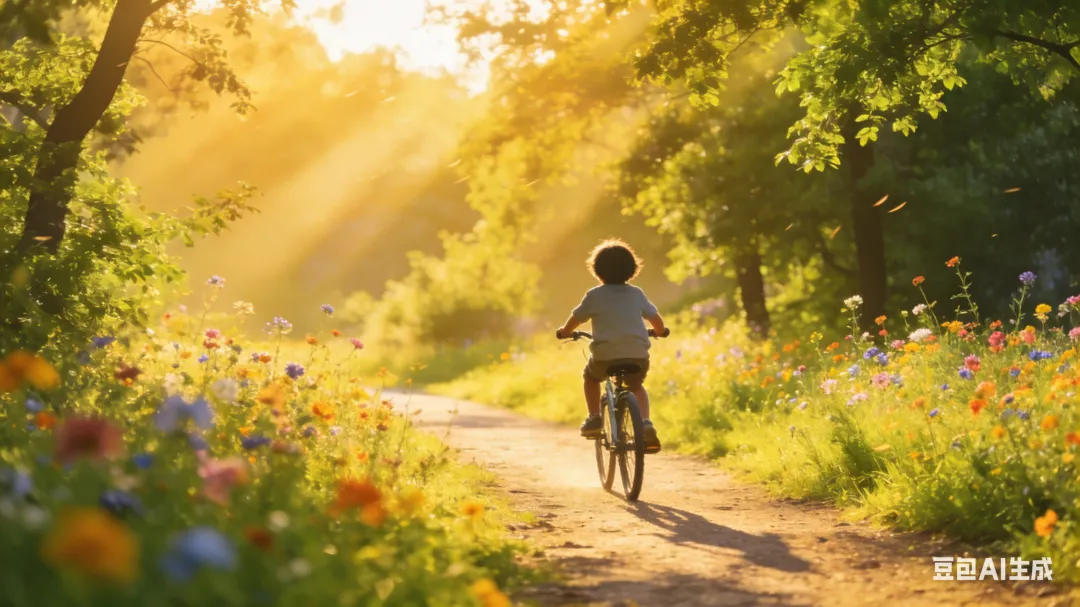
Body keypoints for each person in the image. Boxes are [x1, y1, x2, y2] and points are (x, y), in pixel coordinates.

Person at [555, 239, 667, 453]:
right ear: (632, 270)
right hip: (636, 355)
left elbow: (576, 319)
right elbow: (656, 320)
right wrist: (660, 332)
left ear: (598, 271)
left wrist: (565, 332)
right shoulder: (637, 294)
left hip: (604, 356)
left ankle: (594, 418)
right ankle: (645, 423)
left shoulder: (594, 295)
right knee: (636, 387)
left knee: (591, 378)